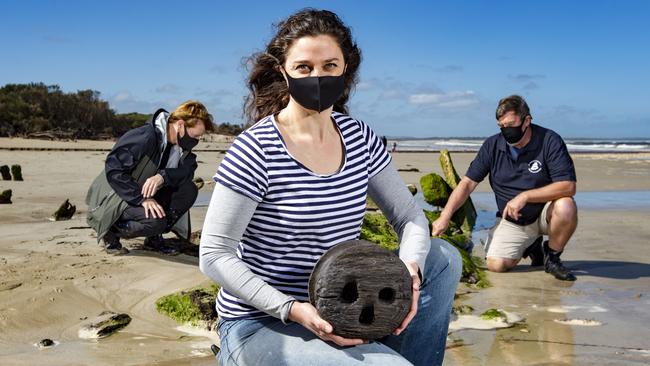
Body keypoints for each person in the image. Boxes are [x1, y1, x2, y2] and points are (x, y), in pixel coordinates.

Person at [199, 9, 461, 366]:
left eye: (329, 66)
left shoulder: (359, 138)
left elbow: (409, 216)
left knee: (443, 259)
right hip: (263, 321)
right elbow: (214, 254)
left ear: (345, 69)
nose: (317, 76)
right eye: (304, 67)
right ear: (284, 71)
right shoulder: (256, 149)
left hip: (344, 303)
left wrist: (410, 269)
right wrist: (293, 310)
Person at [431, 95, 578, 281]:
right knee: (496, 265)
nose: (506, 130)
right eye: (501, 126)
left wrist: (525, 196)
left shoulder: (549, 140)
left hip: (545, 215)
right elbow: (467, 183)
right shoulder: (492, 145)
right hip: (513, 220)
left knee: (566, 206)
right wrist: (445, 216)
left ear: (526, 120)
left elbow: (568, 186)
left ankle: (553, 257)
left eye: (510, 125)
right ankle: (532, 245)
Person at [86, 100, 213, 254]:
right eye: (195, 135)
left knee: (189, 189)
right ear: (180, 125)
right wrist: (142, 199)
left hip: (147, 194)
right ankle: (111, 230)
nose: (197, 141)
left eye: (200, 137)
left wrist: (163, 177)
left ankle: (153, 239)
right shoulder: (145, 137)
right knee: (156, 222)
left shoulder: (181, 148)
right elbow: (114, 170)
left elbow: (188, 171)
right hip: (117, 197)